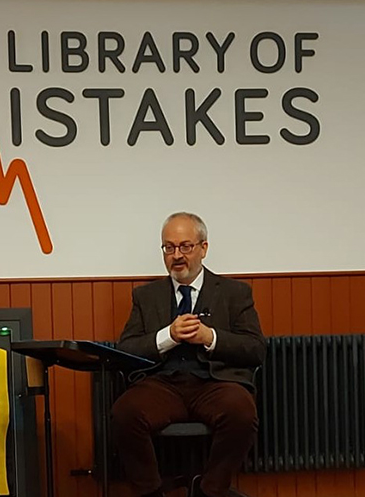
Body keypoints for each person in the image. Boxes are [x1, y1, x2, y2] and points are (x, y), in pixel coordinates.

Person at [111, 212, 266, 497]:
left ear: (204, 248)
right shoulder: (146, 296)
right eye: (169, 248)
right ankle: (150, 492)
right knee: (124, 413)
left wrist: (211, 337)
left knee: (241, 412)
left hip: (216, 383)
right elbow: (126, 349)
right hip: (163, 383)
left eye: (185, 246)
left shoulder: (235, 293)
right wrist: (167, 336)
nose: (177, 255)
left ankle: (210, 490)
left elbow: (255, 349)